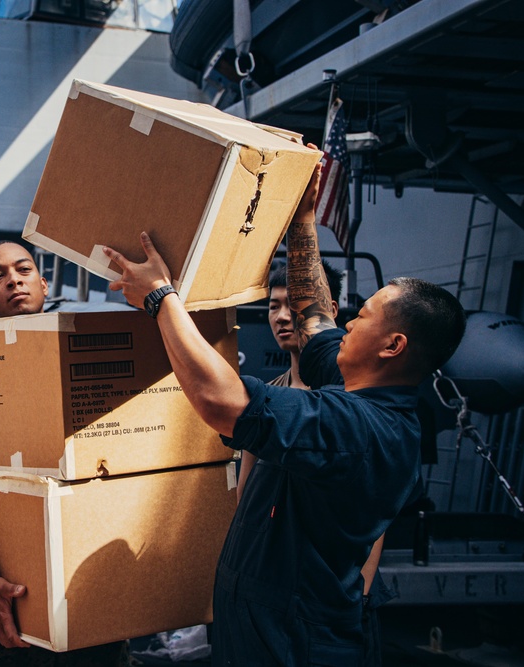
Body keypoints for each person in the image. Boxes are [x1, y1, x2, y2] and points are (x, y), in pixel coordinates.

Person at [102, 161, 465, 666]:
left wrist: (161, 299)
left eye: (360, 318)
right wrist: (303, 220)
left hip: (293, 643)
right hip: (258, 624)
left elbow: (222, 401)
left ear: (392, 345)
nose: (345, 323)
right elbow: (314, 313)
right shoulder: (357, 386)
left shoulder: (359, 428)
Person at [0, 240, 130, 666]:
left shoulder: (80, 358)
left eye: (23, 270)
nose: (13, 280)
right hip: (5, 591)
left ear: (43, 283)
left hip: (85, 587)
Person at [246, 261, 393, 666]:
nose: (280, 317)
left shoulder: (352, 395)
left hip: (336, 594)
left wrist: (357, 595)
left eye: (292, 305)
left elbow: (374, 510)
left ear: (326, 308)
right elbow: (247, 494)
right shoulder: (269, 392)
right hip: (276, 587)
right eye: (272, 306)